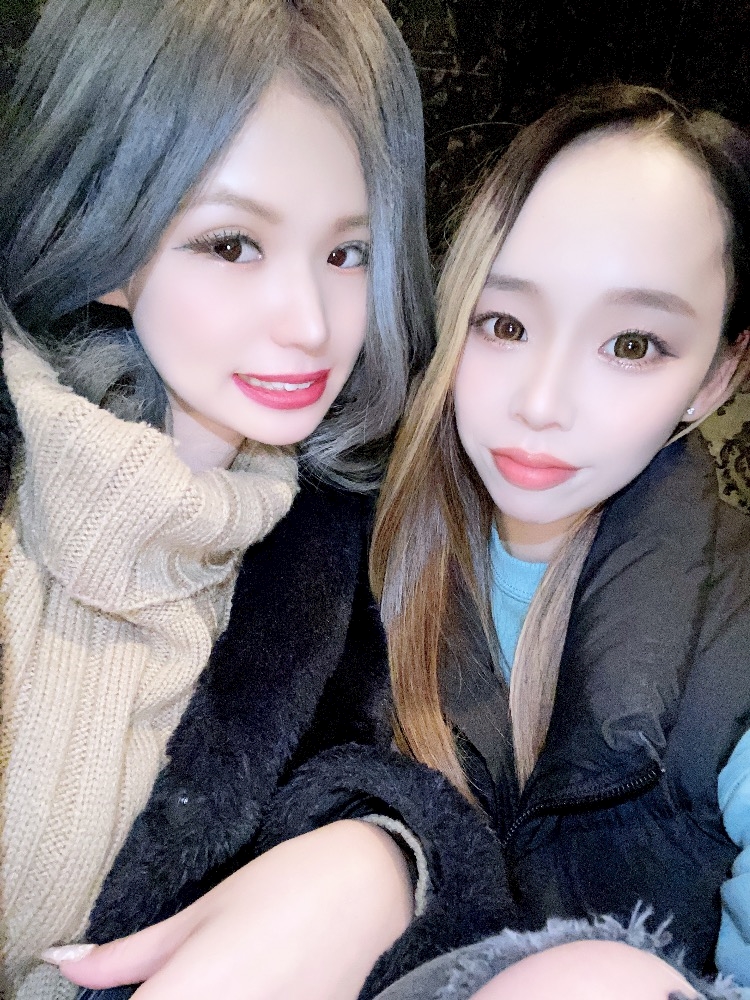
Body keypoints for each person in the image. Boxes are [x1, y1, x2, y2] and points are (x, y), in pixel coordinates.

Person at [0, 2, 513, 998]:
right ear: (104, 232)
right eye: (233, 244)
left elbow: (447, 812)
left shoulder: (358, 555)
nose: (311, 323)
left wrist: (384, 859)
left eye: (349, 252)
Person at [370, 83, 750, 999]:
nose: (541, 403)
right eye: (505, 324)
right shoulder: (341, 553)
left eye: (632, 345)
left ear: (715, 378)